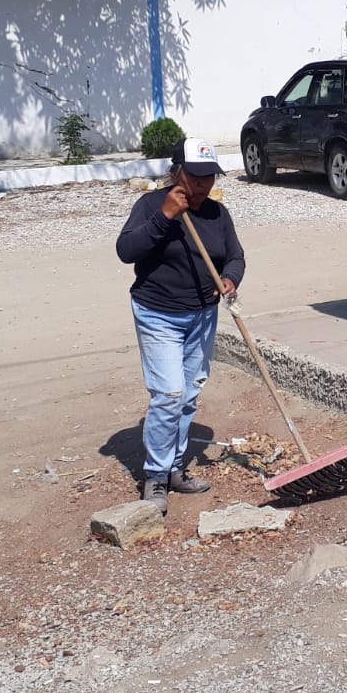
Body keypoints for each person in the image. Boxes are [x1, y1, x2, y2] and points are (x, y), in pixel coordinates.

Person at [115, 137, 244, 513]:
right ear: (176, 173)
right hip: (158, 313)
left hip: (203, 315)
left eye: (209, 176)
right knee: (169, 394)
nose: (203, 184)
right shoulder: (150, 205)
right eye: (195, 176)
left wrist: (230, 278)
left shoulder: (218, 214)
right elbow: (126, 251)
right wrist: (165, 216)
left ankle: (174, 468)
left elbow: (235, 255)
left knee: (188, 394)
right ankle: (155, 475)